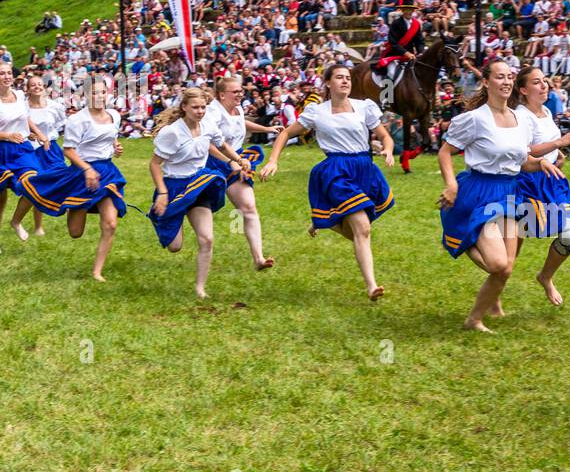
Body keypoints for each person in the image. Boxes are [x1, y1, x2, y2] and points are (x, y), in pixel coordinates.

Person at [436, 59, 564, 332]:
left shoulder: (521, 121)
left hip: (509, 192)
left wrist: (540, 163)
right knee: (497, 263)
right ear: (486, 82)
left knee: (505, 268)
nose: (506, 82)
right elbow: (445, 151)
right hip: (478, 191)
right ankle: (464, 236)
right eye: (499, 77)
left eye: (509, 77)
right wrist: (450, 184)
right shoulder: (474, 119)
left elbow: (522, 162)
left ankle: (474, 319)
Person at [260, 65, 397, 301]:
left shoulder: (364, 107)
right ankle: (371, 286)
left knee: (358, 230)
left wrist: (388, 150)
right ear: (327, 83)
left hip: (365, 168)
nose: (345, 81)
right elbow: (284, 134)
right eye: (339, 78)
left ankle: (327, 221)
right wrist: (273, 161)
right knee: (362, 228)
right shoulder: (316, 111)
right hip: (336, 171)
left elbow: (385, 135)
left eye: (347, 78)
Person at [148, 88, 251, 299]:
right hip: (174, 187)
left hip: (198, 183)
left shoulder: (208, 126)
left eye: (203, 107)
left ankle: (200, 288)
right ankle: (162, 215)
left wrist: (238, 161)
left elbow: (221, 145)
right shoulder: (172, 133)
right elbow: (155, 164)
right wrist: (162, 192)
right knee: (174, 246)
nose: (200, 111)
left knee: (207, 239)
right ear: (184, 107)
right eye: (195, 107)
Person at [19, 76, 126, 281]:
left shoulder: (114, 115)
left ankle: (97, 272)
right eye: (94, 93)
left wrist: (116, 147)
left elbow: (112, 137)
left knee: (110, 224)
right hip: (82, 174)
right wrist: (87, 169)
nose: (100, 96)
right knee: (75, 232)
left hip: (108, 172)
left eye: (103, 92)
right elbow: (69, 151)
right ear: (86, 95)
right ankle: (78, 204)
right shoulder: (78, 119)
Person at [510, 66, 570, 306]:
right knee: (511, 249)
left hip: (553, 180)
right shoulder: (520, 115)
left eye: (544, 80)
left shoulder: (545, 110)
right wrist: (560, 142)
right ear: (523, 90)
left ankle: (546, 276)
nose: (544, 85)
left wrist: (558, 155)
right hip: (529, 183)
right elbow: (524, 150)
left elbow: (545, 144)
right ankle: (494, 293)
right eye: (536, 82)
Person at [0, 62, 51, 254]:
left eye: (9, 73)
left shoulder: (19, 95)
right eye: (2, 73)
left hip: (19, 148)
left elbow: (25, 118)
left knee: (35, 183)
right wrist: (7, 135)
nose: (7, 76)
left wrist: (39, 134)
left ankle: (16, 221)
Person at [205, 75, 281, 271]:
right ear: (222, 95)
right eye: (236, 92)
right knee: (196, 207)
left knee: (248, 206)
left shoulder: (237, 108)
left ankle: (259, 259)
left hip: (237, 160)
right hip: (212, 162)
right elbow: (208, 143)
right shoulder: (212, 112)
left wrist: (267, 128)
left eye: (241, 91)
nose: (240, 94)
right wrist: (230, 161)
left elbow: (241, 122)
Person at [23, 74, 67, 238]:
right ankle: (38, 226)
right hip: (33, 150)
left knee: (63, 180)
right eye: (33, 85)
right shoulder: (23, 108)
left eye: (39, 84)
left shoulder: (54, 106)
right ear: (27, 89)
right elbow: (20, 129)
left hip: (52, 149)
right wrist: (30, 135)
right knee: (37, 186)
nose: (37, 87)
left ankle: (69, 211)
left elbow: (60, 127)